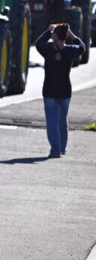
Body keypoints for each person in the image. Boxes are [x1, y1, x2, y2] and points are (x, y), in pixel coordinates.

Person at [35, 22, 85, 158]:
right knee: (62, 120)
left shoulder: (48, 49)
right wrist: (71, 35)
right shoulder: (70, 51)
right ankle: (62, 147)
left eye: (53, 34)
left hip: (50, 90)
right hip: (65, 91)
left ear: (55, 36)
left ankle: (55, 149)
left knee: (52, 120)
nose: (52, 35)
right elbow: (82, 46)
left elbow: (38, 43)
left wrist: (47, 31)